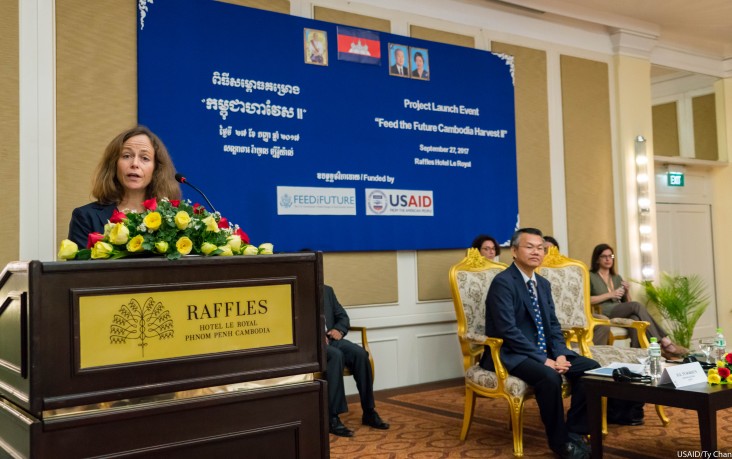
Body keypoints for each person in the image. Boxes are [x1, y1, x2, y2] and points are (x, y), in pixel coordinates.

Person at [480, 228, 597, 459]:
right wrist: (545, 360)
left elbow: (553, 325)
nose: (536, 252)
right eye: (529, 246)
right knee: (549, 377)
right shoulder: (503, 283)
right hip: (512, 353)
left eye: (540, 248)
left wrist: (561, 354)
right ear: (514, 251)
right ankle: (560, 443)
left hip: (547, 351)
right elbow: (508, 331)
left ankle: (574, 430)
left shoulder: (542, 284)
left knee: (591, 369)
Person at [67, 125, 181, 247]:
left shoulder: (173, 220)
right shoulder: (86, 217)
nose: (135, 164)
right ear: (114, 164)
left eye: (145, 158)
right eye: (126, 156)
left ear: (156, 168)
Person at [589, 243, 687, 358]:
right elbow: (588, 300)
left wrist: (627, 291)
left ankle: (638, 356)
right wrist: (610, 294)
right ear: (597, 259)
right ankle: (664, 341)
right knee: (637, 306)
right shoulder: (591, 276)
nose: (608, 259)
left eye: (611, 256)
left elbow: (628, 302)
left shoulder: (616, 277)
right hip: (604, 312)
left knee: (635, 319)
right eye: (604, 256)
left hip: (619, 309)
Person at [324, 284, 389, 437]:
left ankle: (369, 411)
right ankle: (332, 418)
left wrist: (339, 330)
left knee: (360, 354)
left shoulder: (327, 290)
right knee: (336, 356)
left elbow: (342, 316)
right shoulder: (296, 289)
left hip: (332, 338)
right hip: (312, 343)